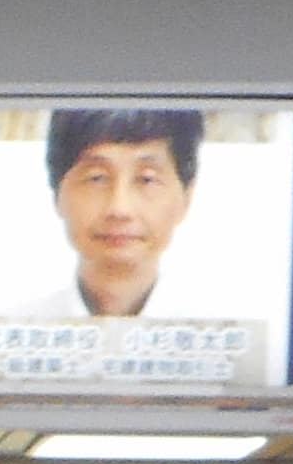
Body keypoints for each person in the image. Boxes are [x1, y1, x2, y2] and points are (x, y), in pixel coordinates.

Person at [44, 106, 201, 321]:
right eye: (97, 178)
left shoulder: (228, 341)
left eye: (147, 179)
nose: (119, 209)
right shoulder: (5, 337)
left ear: (186, 197)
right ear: (57, 194)